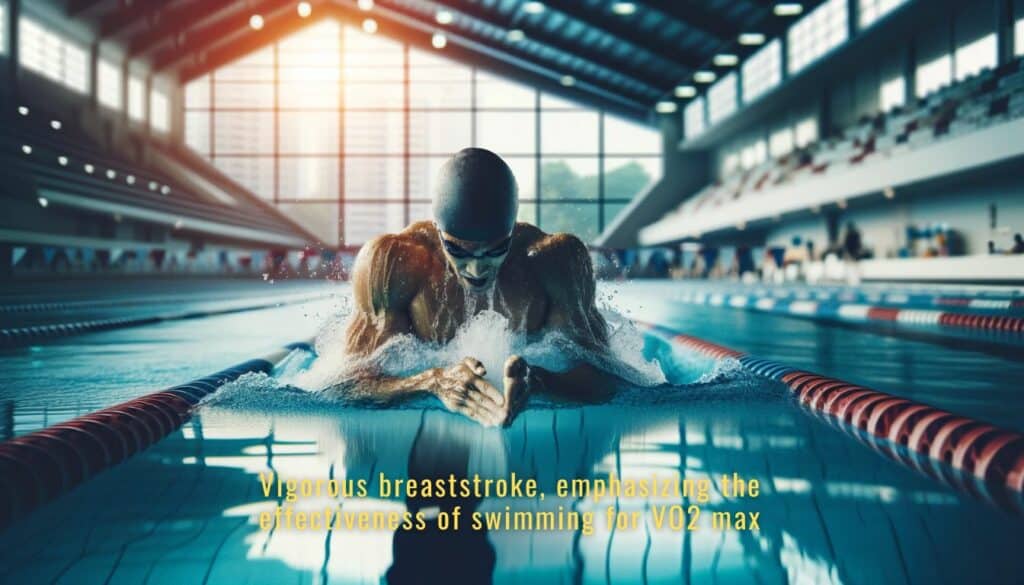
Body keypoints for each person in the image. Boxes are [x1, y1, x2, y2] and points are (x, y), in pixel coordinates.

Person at [340, 148, 618, 427]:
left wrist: (541, 382)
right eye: (457, 251)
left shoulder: (555, 263)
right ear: (438, 231)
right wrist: (431, 382)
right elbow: (346, 385)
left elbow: (606, 378)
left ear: (512, 232)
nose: (476, 269)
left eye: (495, 250)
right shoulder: (393, 263)